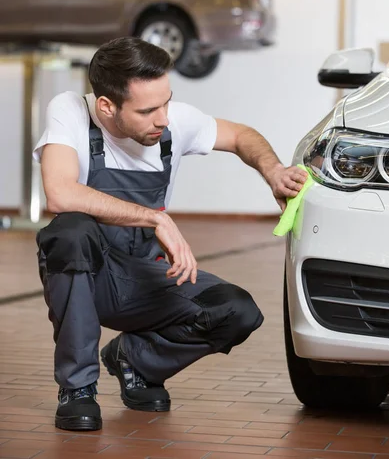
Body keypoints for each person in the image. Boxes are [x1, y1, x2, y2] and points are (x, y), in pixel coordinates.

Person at [34, 37, 307, 432]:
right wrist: (157, 219)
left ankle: (135, 360)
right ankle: (78, 390)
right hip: (88, 276)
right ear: (106, 106)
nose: (163, 118)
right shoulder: (71, 111)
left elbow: (241, 135)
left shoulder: (173, 120)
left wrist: (274, 171)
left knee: (237, 310)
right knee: (70, 231)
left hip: (145, 274)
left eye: (166, 102)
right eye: (147, 110)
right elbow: (59, 192)